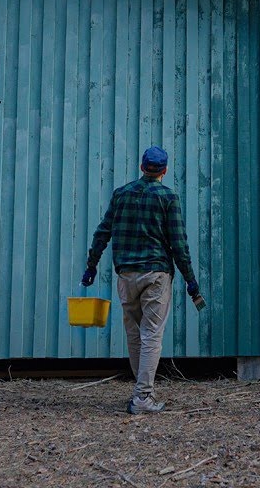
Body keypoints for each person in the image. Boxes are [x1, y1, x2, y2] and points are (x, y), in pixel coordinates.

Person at [83, 145, 202, 414]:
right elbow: (178, 244)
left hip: (126, 275)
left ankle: (141, 391)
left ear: (141, 167)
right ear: (165, 170)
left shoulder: (121, 194)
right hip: (156, 275)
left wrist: (91, 266)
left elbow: (102, 232)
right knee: (151, 335)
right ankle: (142, 397)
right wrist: (190, 279)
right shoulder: (168, 197)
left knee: (134, 334)